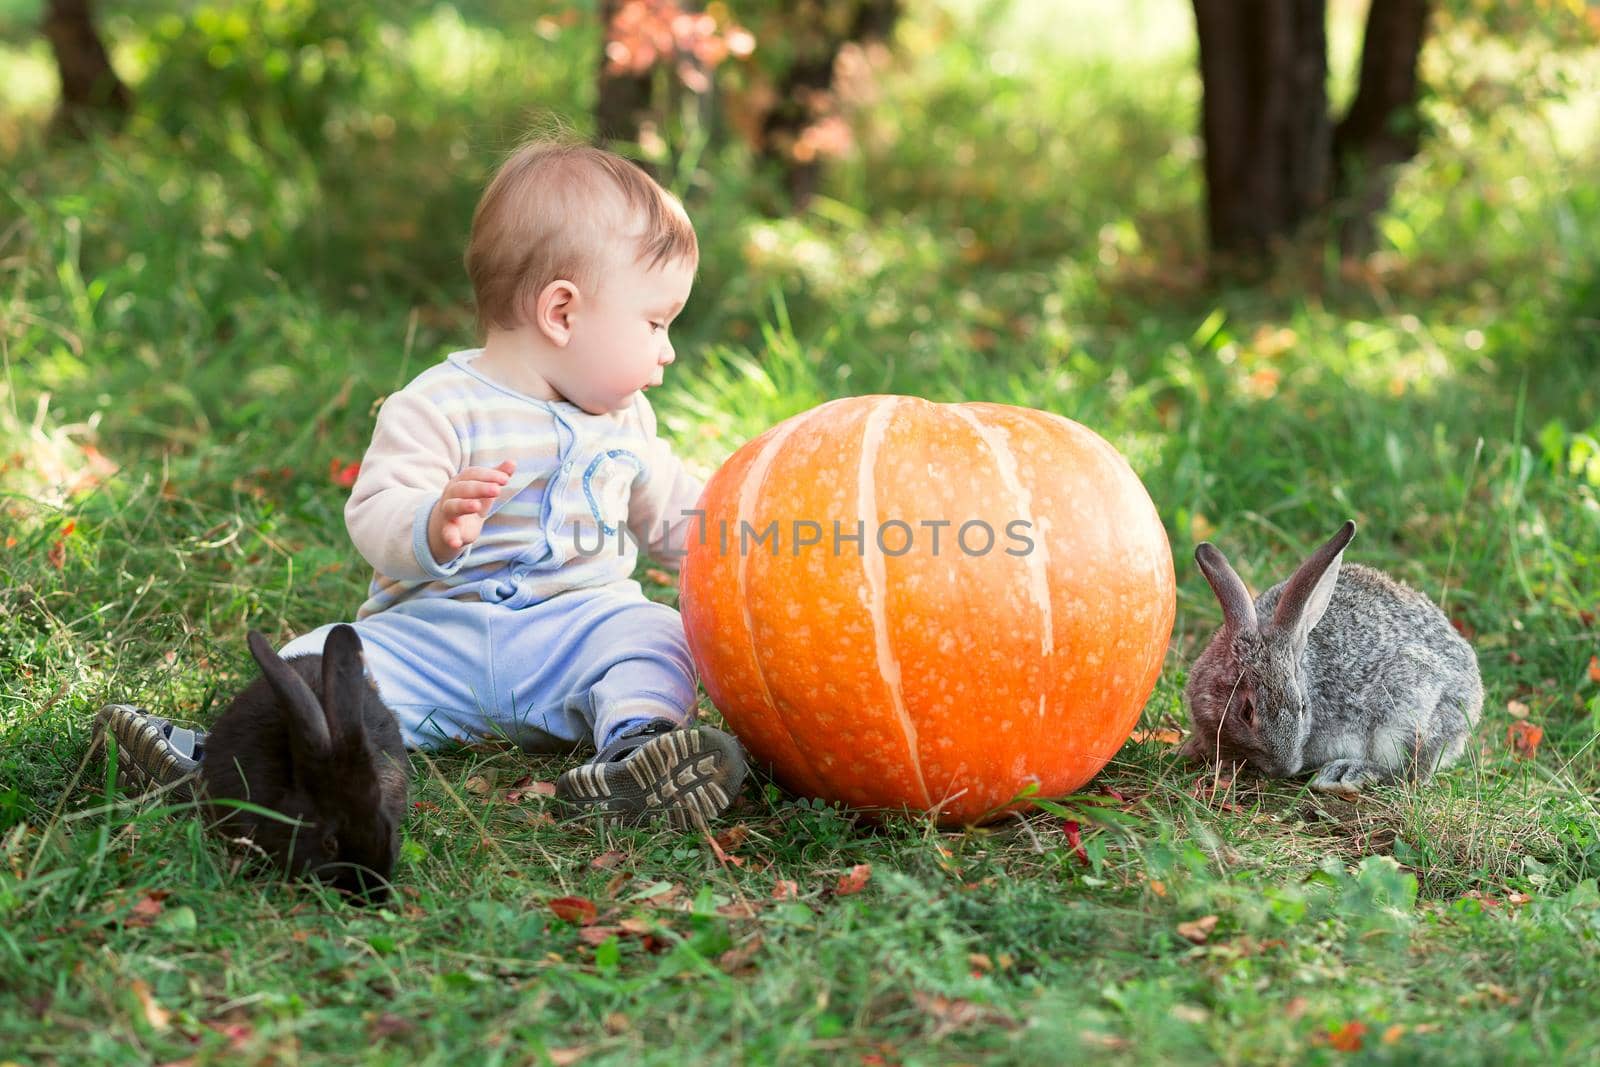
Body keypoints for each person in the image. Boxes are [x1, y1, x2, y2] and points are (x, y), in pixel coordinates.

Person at [99, 139, 746, 825]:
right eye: (655, 323)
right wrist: (432, 521)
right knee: (319, 659)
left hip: (572, 636)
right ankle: (220, 767)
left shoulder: (627, 422)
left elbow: (684, 520)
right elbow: (376, 512)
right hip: (436, 637)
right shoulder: (438, 404)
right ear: (562, 313)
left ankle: (636, 752)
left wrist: (752, 544)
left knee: (652, 632)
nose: (667, 349)